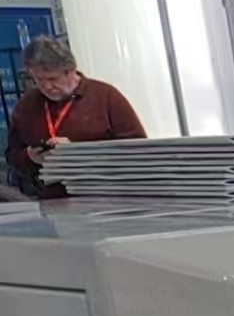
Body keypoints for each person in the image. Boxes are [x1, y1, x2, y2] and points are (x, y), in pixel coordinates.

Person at [3, 36, 146, 198]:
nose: (46, 86)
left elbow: (137, 151)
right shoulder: (26, 105)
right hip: (53, 200)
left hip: (106, 196)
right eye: (38, 80)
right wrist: (30, 157)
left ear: (70, 71)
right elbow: (12, 156)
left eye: (52, 79)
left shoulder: (106, 96)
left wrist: (78, 154)